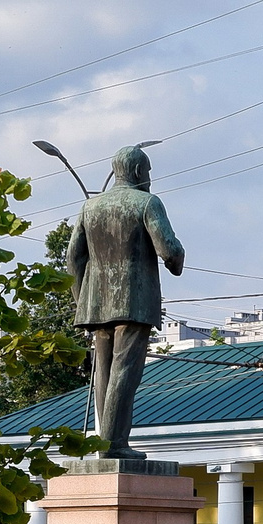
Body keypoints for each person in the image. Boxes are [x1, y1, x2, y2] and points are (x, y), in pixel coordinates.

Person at [66, 145, 185, 458]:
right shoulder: (147, 203)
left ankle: (105, 443)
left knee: (103, 374)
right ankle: (114, 444)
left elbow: (73, 258)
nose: (149, 179)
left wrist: (82, 300)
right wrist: (177, 260)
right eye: (148, 172)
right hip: (134, 301)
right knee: (125, 373)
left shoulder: (89, 207)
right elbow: (168, 249)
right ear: (137, 171)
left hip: (96, 304)